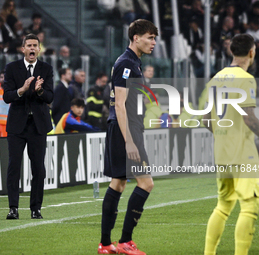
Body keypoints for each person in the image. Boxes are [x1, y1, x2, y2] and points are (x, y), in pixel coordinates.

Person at [203, 33, 259, 255]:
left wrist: (224, 135)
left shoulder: (216, 78)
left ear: (231, 51)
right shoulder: (246, 78)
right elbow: (250, 118)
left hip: (222, 151)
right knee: (250, 207)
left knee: (223, 206)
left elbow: (206, 119)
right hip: (243, 153)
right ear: (252, 52)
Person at [98, 19, 158, 255]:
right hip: (125, 129)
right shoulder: (127, 63)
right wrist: (130, 140)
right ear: (136, 38)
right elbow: (120, 106)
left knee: (118, 182)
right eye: (149, 37)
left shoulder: (132, 62)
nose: (153, 42)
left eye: (154, 38)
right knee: (146, 183)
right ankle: (125, 241)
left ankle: (105, 244)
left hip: (123, 127)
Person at [3, 33, 54, 220]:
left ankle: (35, 208)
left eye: (35, 45)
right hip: (17, 126)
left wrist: (40, 91)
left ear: (39, 49)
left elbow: (50, 96)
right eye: (29, 45)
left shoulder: (46, 69)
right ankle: (13, 208)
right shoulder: (12, 68)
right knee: (14, 166)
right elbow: (7, 96)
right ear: (23, 49)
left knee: (38, 168)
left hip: (38, 126)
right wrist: (22, 90)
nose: (32, 48)